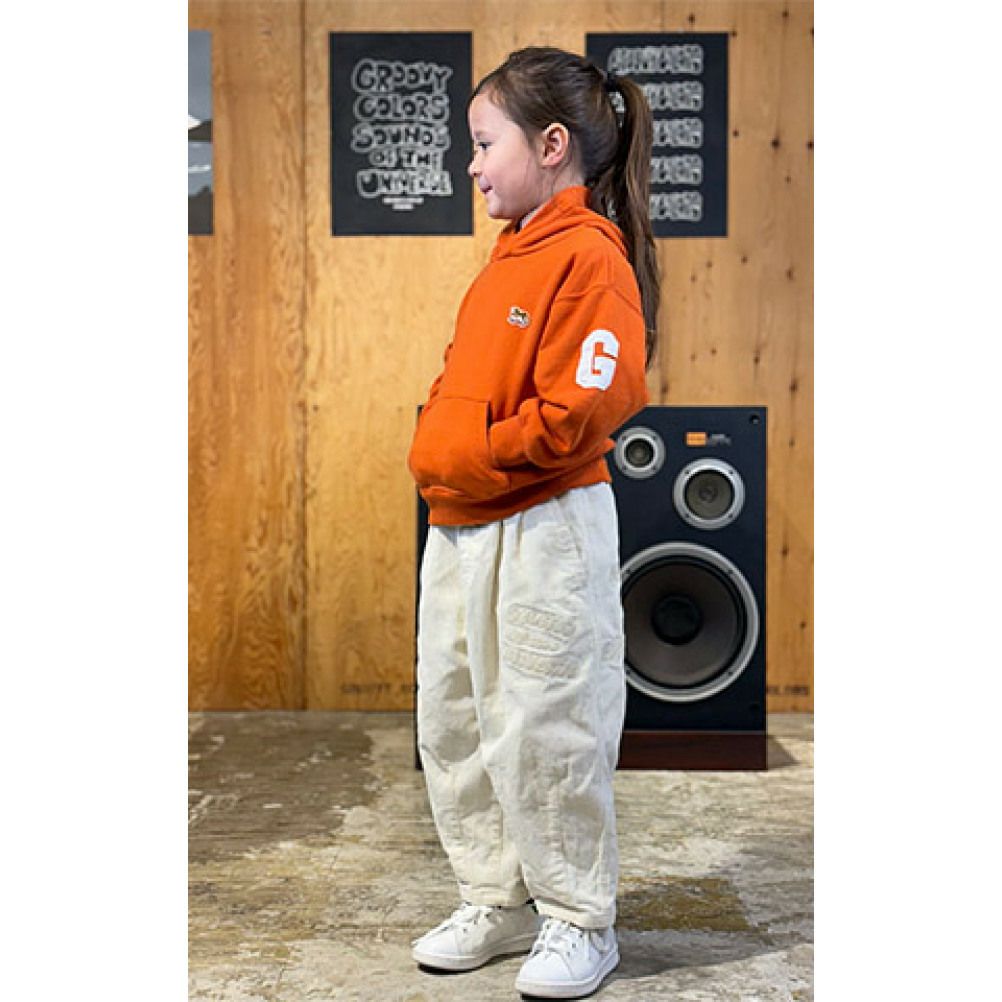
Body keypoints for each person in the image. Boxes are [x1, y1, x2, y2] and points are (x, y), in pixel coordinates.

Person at [406, 46, 659, 999]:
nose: (470, 165)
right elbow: (462, 386)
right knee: (459, 719)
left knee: (550, 722)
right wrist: (441, 451)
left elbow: (585, 407)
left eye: (484, 144)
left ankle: (580, 918)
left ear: (552, 146)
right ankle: (496, 897)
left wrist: (468, 454)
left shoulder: (591, 257)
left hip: (545, 526)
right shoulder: (505, 259)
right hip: (461, 526)